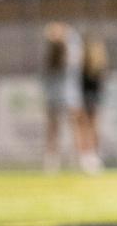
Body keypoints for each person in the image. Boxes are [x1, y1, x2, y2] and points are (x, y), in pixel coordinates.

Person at [42, 22, 103, 174]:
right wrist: (65, 32)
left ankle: (74, 159)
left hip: (62, 95)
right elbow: (73, 43)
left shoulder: (66, 55)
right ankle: (73, 159)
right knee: (68, 127)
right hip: (66, 95)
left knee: (64, 127)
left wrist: (63, 32)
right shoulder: (63, 58)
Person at [82, 32, 109, 153]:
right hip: (95, 96)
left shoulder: (84, 61)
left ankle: (88, 152)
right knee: (94, 126)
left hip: (85, 96)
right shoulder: (100, 62)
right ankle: (95, 152)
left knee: (86, 127)